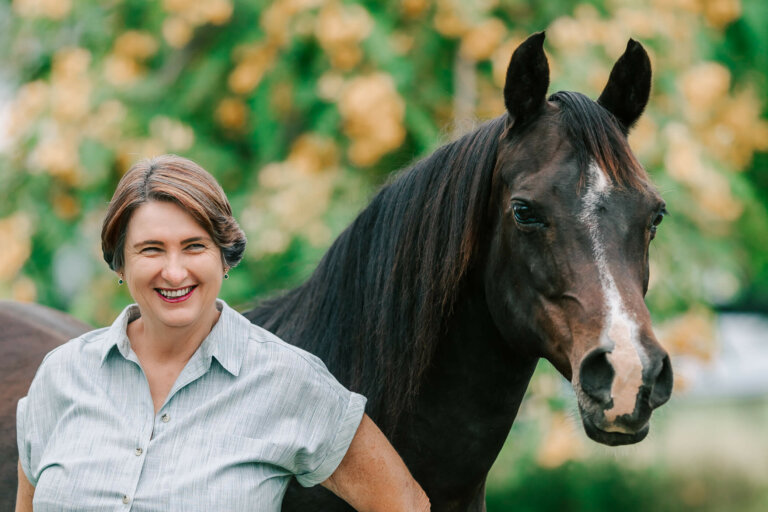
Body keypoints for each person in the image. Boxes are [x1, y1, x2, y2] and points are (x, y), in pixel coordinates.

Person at [16, 155, 430, 511]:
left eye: (195, 246)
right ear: (120, 263)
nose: (174, 271)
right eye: (151, 249)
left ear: (224, 257)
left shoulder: (285, 378)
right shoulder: (62, 375)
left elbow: (405, 503)